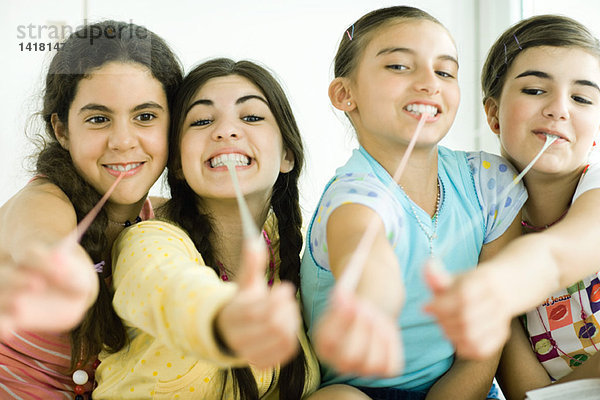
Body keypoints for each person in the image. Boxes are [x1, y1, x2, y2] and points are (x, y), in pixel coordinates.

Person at [300, 5, 527, 400]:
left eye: (445, 71)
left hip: (462, 386)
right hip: (358, 391)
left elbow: (487, 335)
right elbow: (360, 238)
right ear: (345, 94)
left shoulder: (490, 183)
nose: (429, 83)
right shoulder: (354, 192)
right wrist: (375, 292)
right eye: (400, 67)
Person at [93, 58, 320, 399]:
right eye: (201, 120)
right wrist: (222, 316)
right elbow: (169, 287)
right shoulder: (148, 240)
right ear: (178, 165)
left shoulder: (289, 248)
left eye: (252, 117)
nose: (226, 131)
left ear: (287, 154)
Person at [0, 20, 183, 399]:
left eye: (145, 117)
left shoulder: (160, 223)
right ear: (63, 130)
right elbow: (39, 237)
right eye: (98, 119)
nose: (122, 140)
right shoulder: (43, 201)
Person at [425, 15, 600, 399]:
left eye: (582, 98)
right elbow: (525, 393)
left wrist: (499, 282)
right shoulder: (481, 214)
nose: (559, 109)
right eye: (536, 90)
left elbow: (566, 250)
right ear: (492, 113)